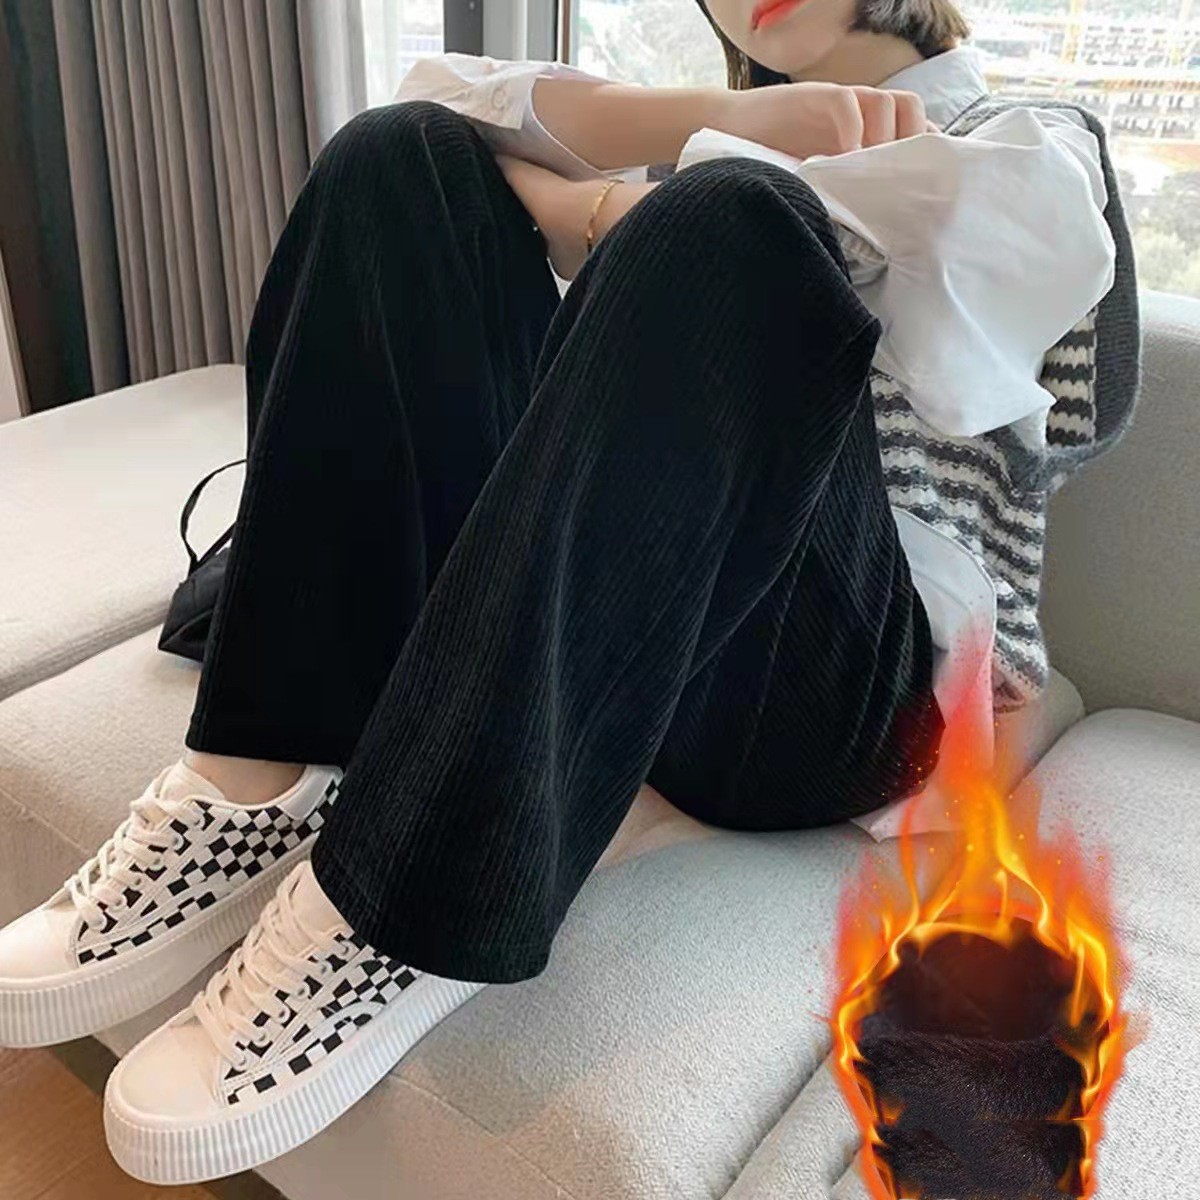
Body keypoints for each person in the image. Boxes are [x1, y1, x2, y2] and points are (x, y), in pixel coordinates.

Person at [0, 0, 1135, 1184]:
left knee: (741, 221)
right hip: (628, 620)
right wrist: (726, 121)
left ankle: (406, 902)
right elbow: (434, 98)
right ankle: (261, 777)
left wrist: (607, 205)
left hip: (842, 693)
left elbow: (983, 305)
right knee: (397, 157)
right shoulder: (718, 150)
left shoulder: (1035, 140)